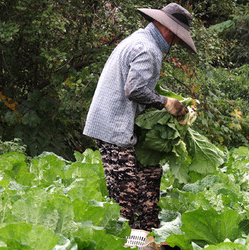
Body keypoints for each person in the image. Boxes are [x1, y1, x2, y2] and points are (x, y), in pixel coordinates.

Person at [83, 3, 196, 233]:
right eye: (176, 39)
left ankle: (146, 247)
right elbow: (134, 89)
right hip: (114, 128)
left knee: (151, 175)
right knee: (127, 195)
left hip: (119, 125)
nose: (174, 44)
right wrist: (166, 102)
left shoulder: (139, 39)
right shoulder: (148, 48)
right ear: (168, 30)